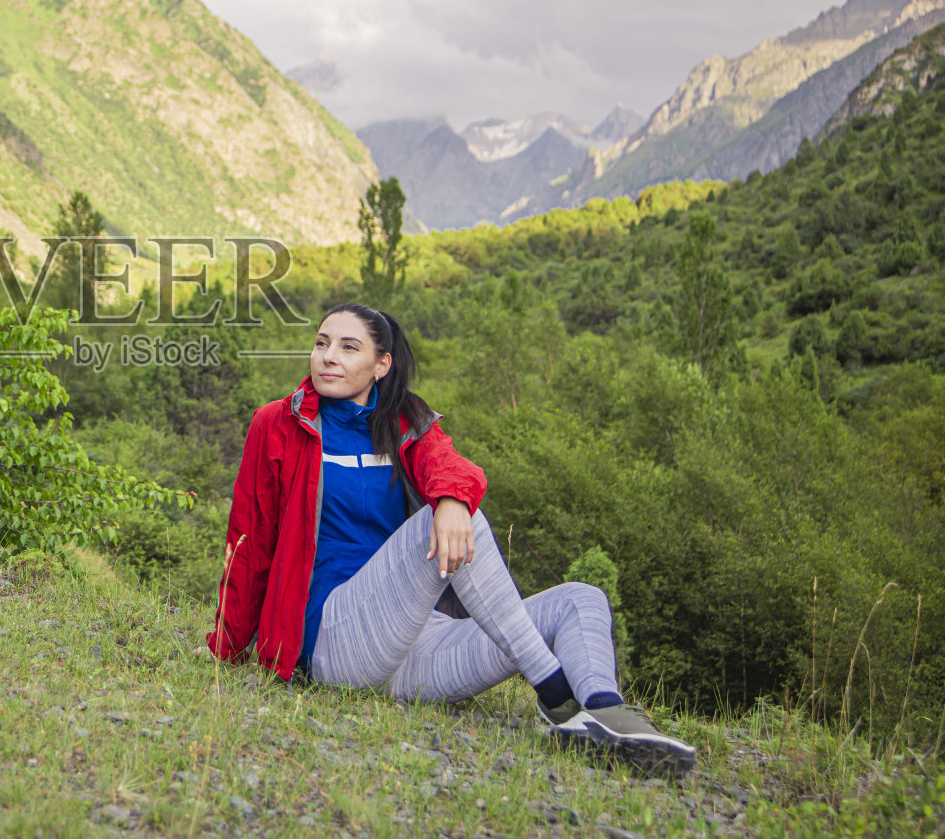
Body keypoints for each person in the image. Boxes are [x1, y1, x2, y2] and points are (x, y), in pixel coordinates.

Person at [206, 303, 696, 777]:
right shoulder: (279, 424)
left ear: (381, 365)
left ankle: (603, 712)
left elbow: (450, 467)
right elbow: (248, 541)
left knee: (581, 598)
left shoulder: (403, 421)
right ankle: (555, 693)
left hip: (417, 649)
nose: (328, 356)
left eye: (348, 347)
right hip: (337, 639)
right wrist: (229, 650)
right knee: (438, 521)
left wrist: (455, 500)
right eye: (321, 343)